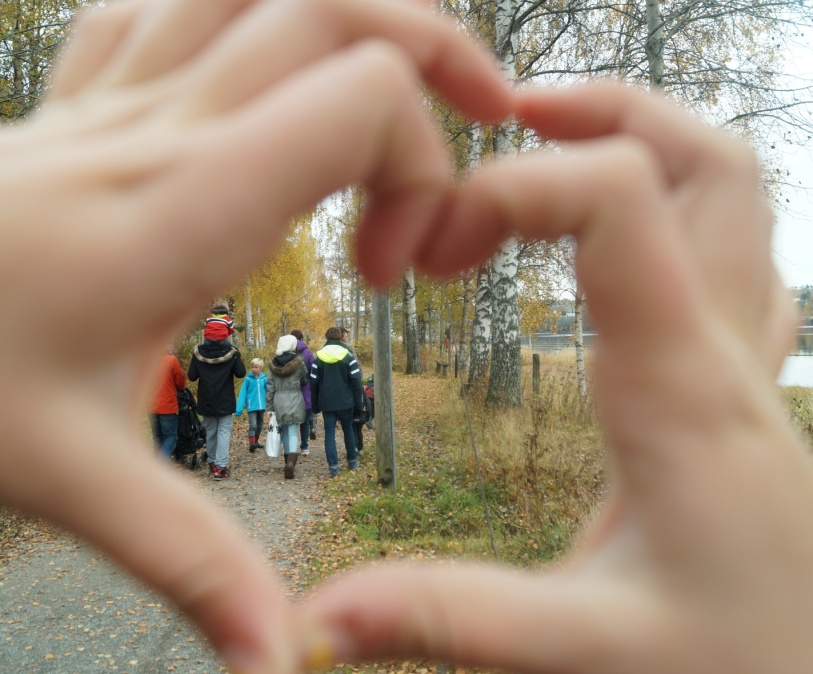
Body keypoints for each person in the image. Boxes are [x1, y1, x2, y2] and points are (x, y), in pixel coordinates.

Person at [1, 1, 809, 674]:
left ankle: (250, 454)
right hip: (322, 403)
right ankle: (291, 455)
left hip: (275, 401)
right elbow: (323, 379)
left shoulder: (249, 352)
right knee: (296, 431)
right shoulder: (325, 352)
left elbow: (276, 377)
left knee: (254, 426)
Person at [188, 333, 246, 480]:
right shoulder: (231, 352)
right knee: (224, 432)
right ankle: (221, 468)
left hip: (206, 398)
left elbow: (192, 376)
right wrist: (236, 356)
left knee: (211, 432)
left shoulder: (198, 353)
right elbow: (241, 373)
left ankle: (213, 463)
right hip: (225, 398)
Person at [311, 327, 364, 477]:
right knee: (348, 430)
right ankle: (352, 461)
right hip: (346, 401)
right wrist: (359, 406)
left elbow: (313, 383)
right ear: (341, 337)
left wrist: (315, 405)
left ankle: (333, 467)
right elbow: (356, 382)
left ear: (327, 338)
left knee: (329, 434)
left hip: (327, 402)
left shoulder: (319, 358)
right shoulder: (348, 357)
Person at [268, 335, 308, 479]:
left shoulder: (273, 364)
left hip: (279, 400)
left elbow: (270, 387)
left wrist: (269, 408)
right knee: (292, 430)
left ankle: (287, 461)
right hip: (294, 398)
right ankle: (291, 462)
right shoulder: (299, 362)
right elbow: (304, 378)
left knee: (284, 429)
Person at [148, 351, 187, 459]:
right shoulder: (171, 360)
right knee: (171, 437)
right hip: (167, 406)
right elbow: (180, 382)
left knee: (157, 437)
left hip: (151, 405)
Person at [291, 329, 316, 455]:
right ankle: (304, 447)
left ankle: (291, 447)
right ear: (301, 339)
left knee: (293, 421)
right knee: (305, 421)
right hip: (306, 391)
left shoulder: (287, 353)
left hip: (291, 392)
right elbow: (314, 370)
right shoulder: (307, 353)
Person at [235, 357, 267, 453]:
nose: (253, 369)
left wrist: (272, 404)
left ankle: (256, 442)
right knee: (253, 425)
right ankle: (251, 444)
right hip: (252, 406)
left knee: (260, 425)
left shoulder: (264, 379)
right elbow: (242, 394)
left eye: (256, 367)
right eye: (252, 367)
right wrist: (239, 409)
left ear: (260, 368)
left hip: (262, 406)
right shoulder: (248, 380)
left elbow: (269, 391)